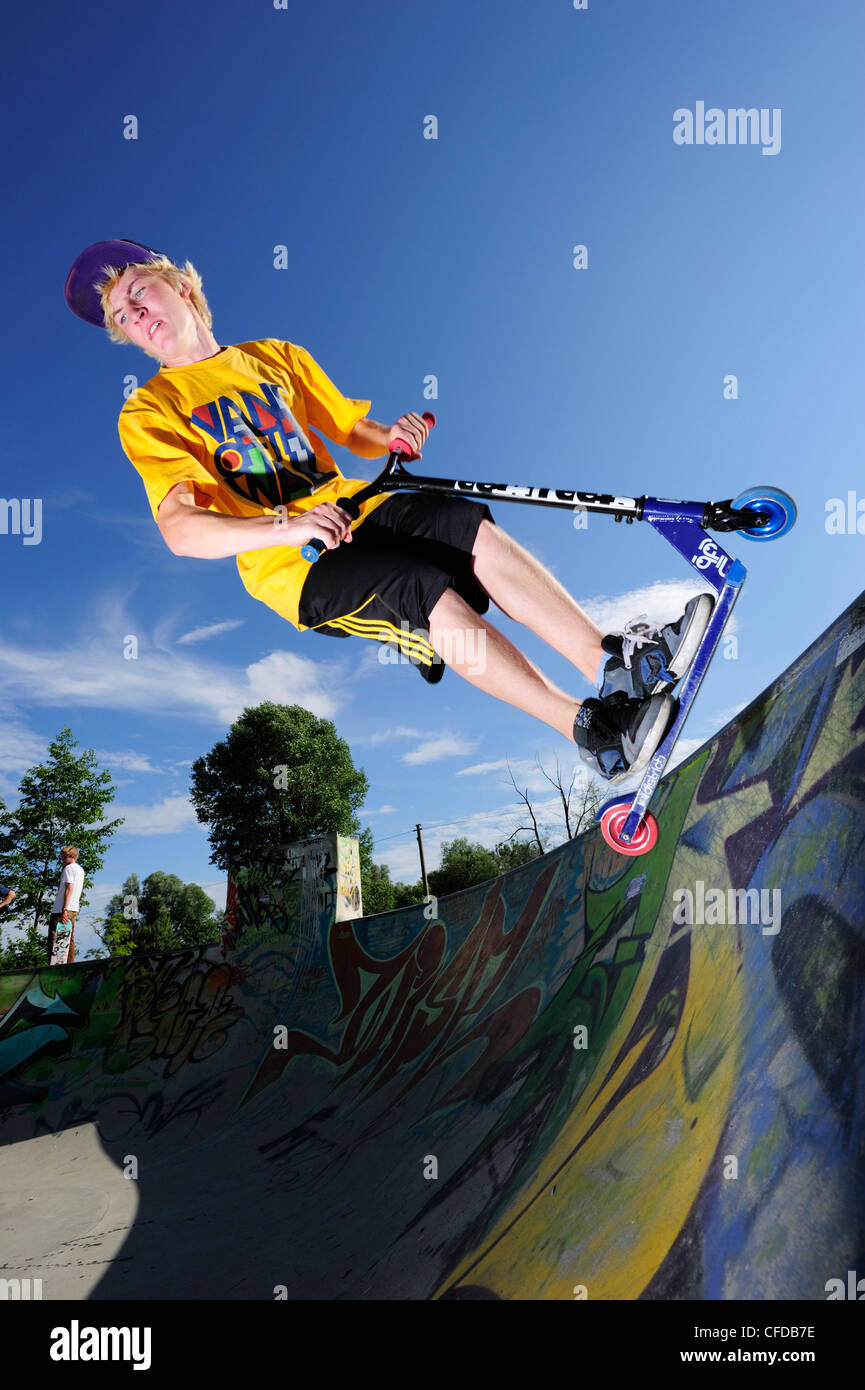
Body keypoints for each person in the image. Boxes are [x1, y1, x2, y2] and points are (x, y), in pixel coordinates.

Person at [64, 239, 712, 781]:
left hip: (351, 502)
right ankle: (594, 732)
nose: (133, 312)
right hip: (293, 564)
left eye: (139, 291)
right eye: (121, 315)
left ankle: (612, 665)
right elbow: (180, 531)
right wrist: (283, 525)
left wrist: (393, 437)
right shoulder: (151, 409)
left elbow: (351, 431)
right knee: (420, 590)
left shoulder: (273, 358)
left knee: (462, 525)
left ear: (182, 288)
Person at [47, 846, 85, 964]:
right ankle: (69, 964)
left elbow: (69, 888)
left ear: (72, 857)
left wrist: (64, 909)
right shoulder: (80, 870)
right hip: (73, 909)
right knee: (69, 939)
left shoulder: (68, 868)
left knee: (55, 939)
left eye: (64, 857)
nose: (62, 860)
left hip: (63, 909)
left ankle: (55, 967)